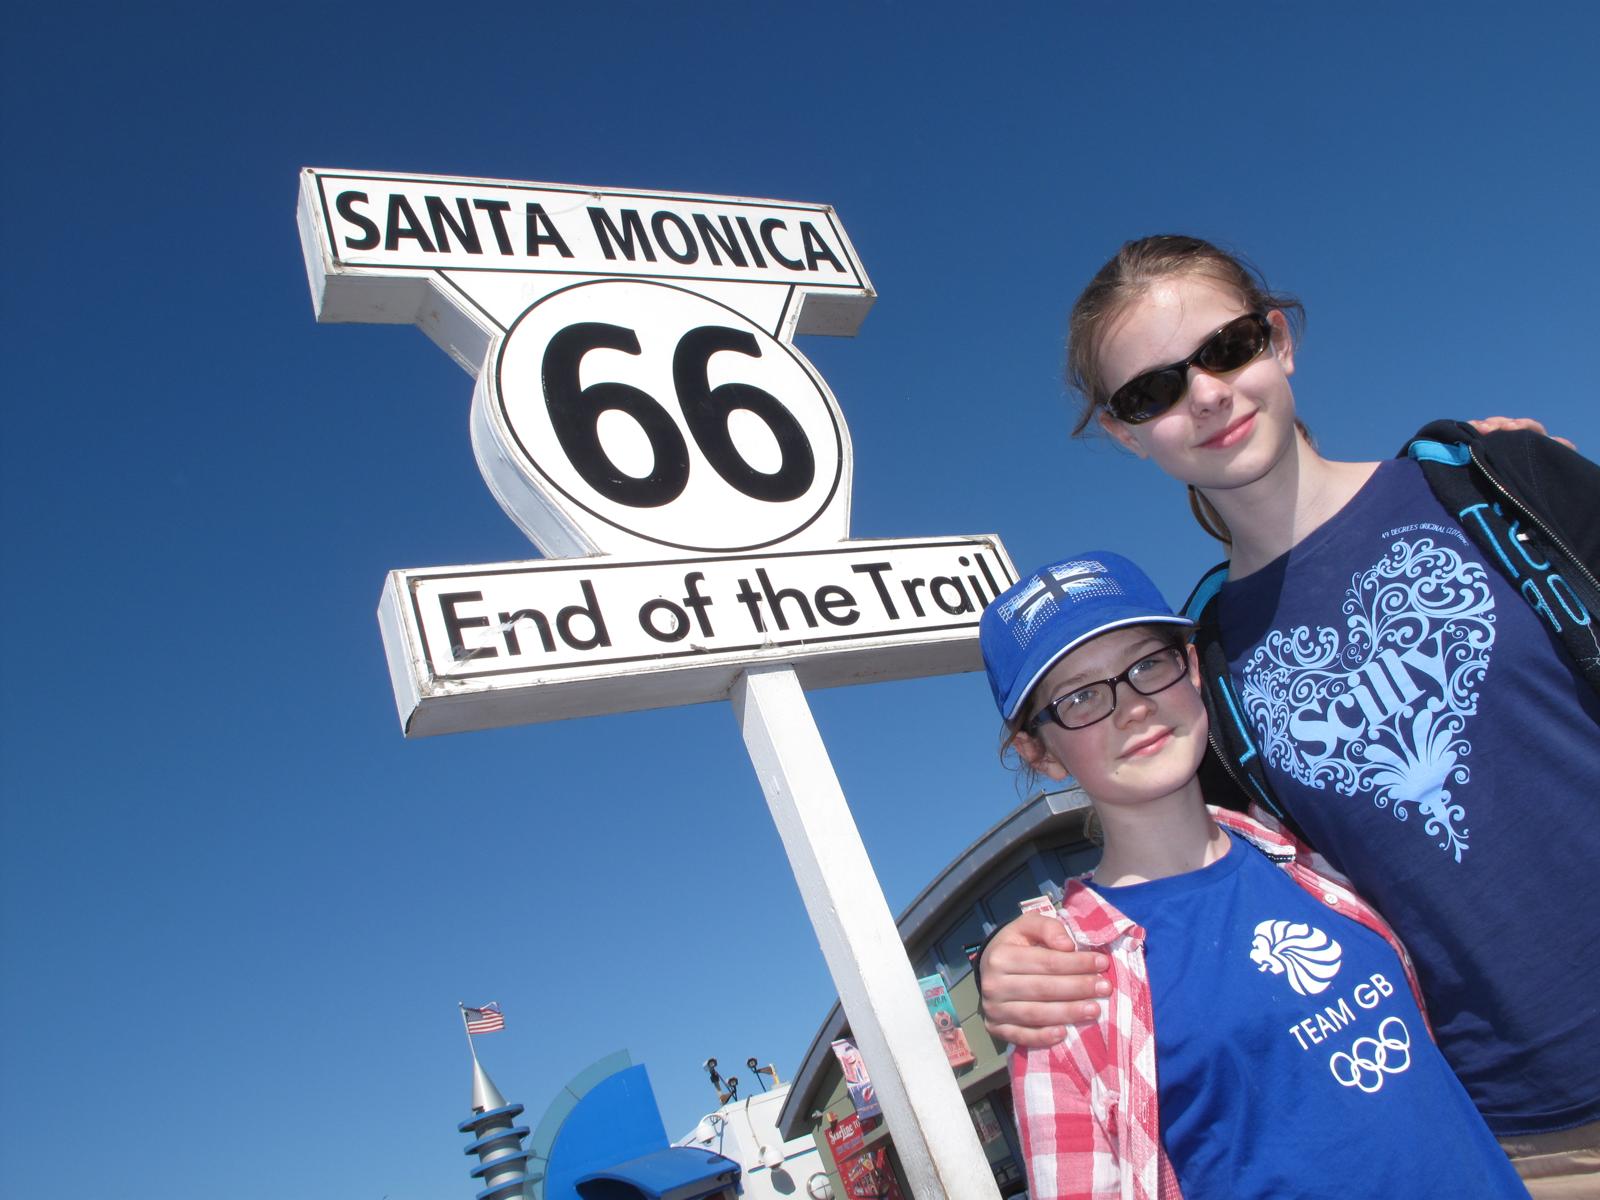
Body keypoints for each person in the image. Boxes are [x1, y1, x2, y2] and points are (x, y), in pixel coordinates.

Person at [977, 236, 1600, 1194]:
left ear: (1279, 339)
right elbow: (1211, 872)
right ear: (1124, 430)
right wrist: (1016, 957)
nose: (1208, 394)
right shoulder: (1206, 670)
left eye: (1227, 347)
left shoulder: (1495, 486)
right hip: (1524, 1140)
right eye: (1153, 390)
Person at [981, 551, 1528, 1199]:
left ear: (1190, 669)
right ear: (1039, 753)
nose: (1130, 707)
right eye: (1079, 697)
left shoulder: (1309, 849)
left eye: (1148, 663)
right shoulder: (1065, 990)